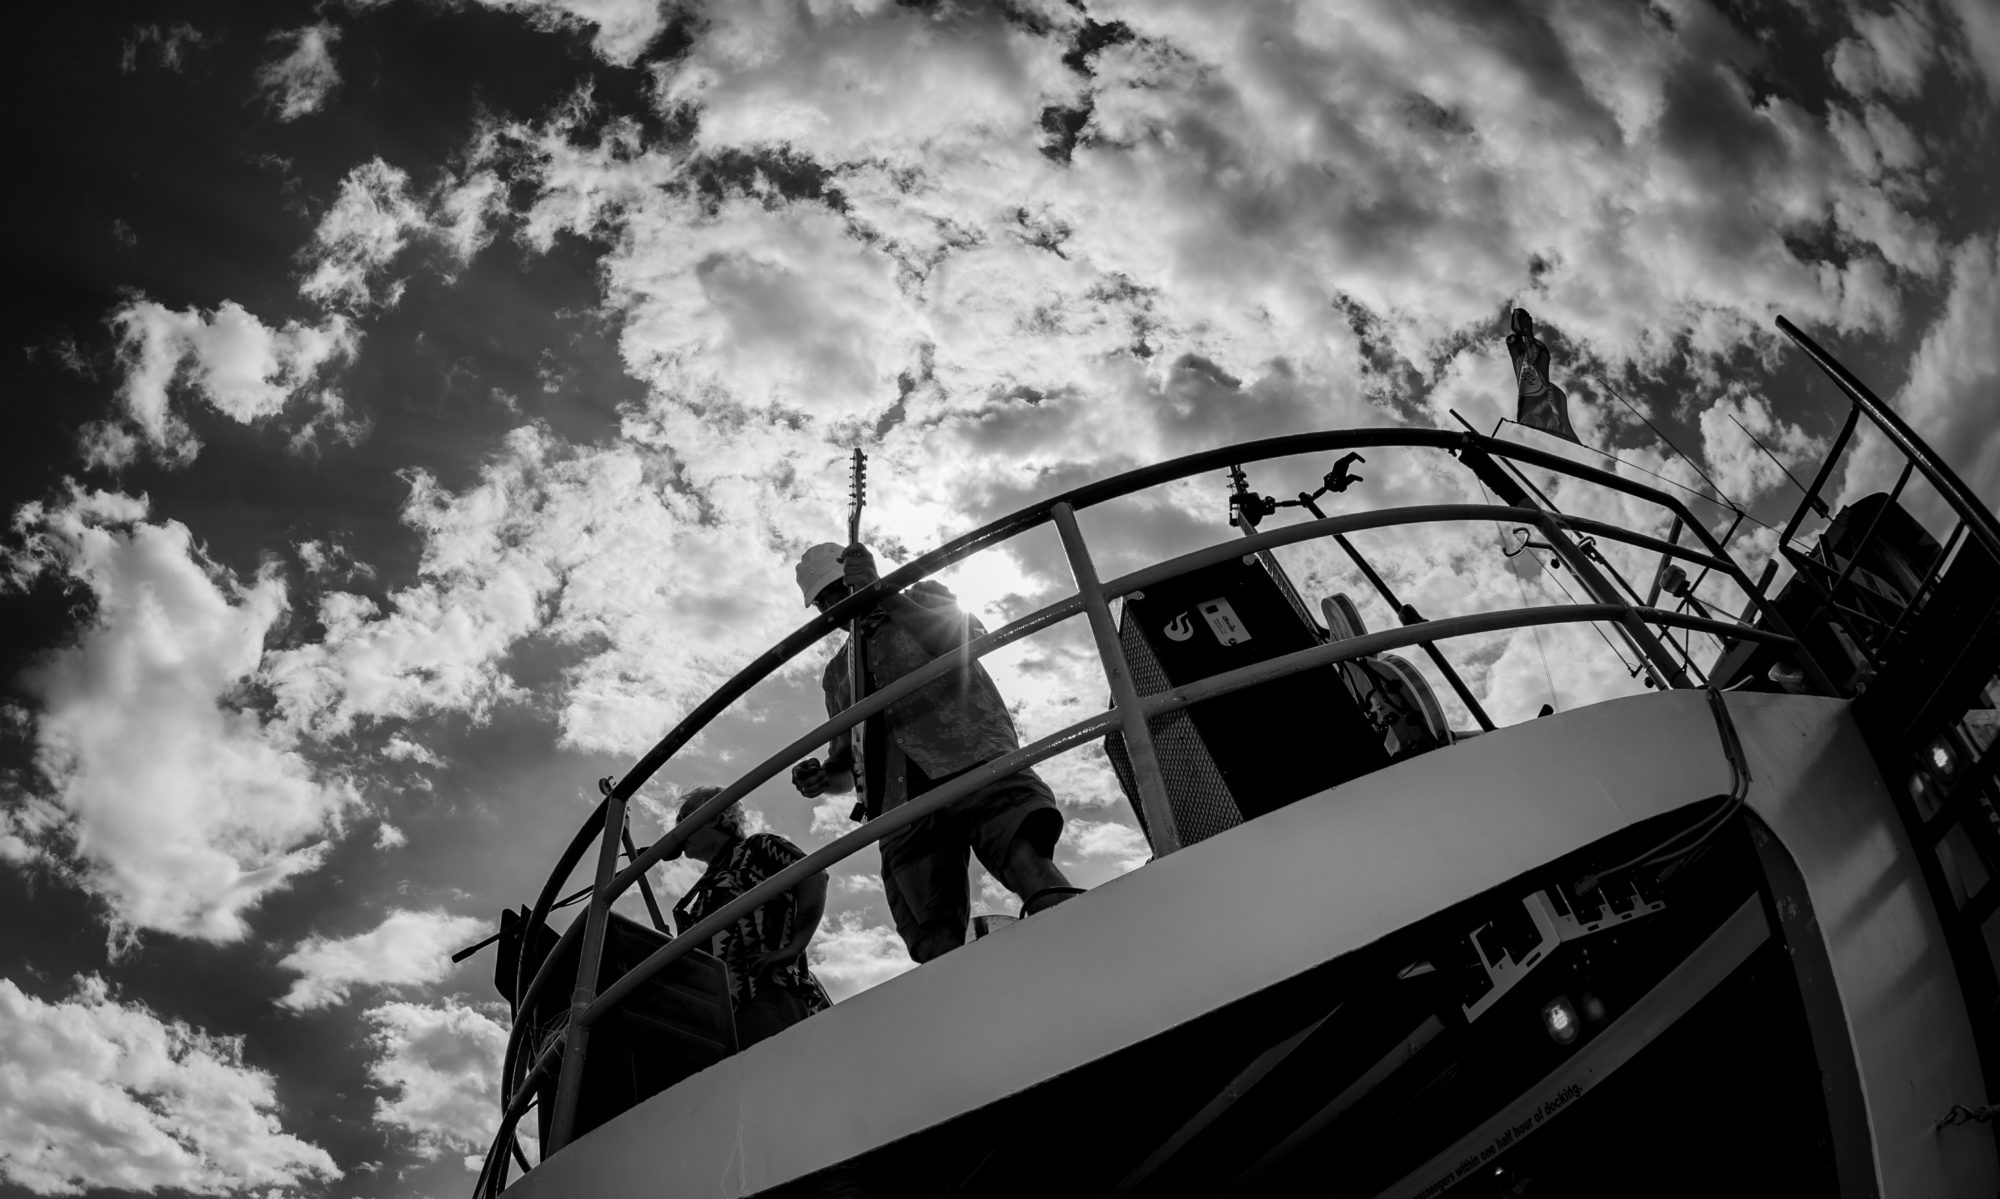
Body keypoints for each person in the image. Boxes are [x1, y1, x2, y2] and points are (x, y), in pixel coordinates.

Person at [789, 542, 1084, 963]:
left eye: (839, 589)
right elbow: (847, 763)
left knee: (1027, 862)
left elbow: (963, 640)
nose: (835, 603)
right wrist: (823, 779)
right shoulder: (838, 672)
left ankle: (1086, 949)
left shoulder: (923, 597)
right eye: (823, 601)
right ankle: (965, 1013)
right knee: (932, 933)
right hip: (897, 802)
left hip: (974, 757)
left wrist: (882, 592)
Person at [668, 786, 831, 1048]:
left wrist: (794, 947)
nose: (678, 831)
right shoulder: (703, 888)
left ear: (716, 817)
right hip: (723, 1013)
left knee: (780, 1074)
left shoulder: (758, 847)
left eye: (685, 819)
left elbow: (814, 876)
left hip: (766, 991)